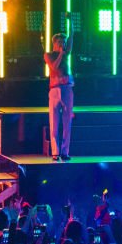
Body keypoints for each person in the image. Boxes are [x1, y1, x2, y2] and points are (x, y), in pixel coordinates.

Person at [44, 26, 74, 162]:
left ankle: (65, 152)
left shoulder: (67, 53)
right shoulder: (49, 55)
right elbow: (54, 67)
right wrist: (61, 54)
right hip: (55, 91)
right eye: (60, 42)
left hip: (67, 89)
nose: (62, 44)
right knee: (54, 123)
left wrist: (71, 23)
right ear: (54, 43)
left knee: (67, 122)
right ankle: (55, 152)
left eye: (63, 42)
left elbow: (72, 37)